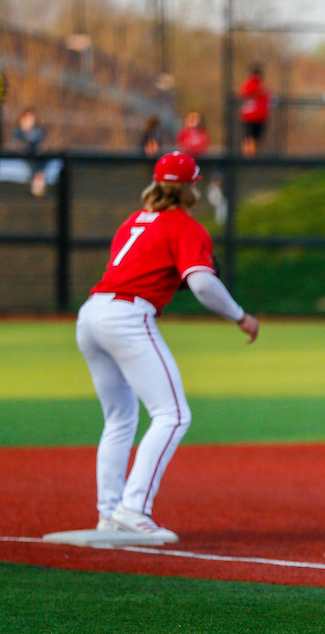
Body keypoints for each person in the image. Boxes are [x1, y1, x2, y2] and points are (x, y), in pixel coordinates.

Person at [75, 151, 260, 545]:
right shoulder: (185, 226)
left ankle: (108, 516)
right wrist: (240, 317)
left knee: (120, 419)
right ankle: (133, 509)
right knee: (172, 415)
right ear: (191, 187)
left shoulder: (133, 221)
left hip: (91, 314)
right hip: (126, 316)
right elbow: (203, 284)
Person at [12, 107, 47, 197]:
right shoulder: (18, 131)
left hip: (36, 156)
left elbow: (41, 144)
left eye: (31, 118)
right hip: (24, 155)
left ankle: (37, 184)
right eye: (27, 117)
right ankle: (37, 183)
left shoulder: (38, 131)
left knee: (40, 162)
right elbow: (17, 145)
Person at [239, 64, 271, 157]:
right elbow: (245, 94)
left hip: (259, 116)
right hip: (250, 115)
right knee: (249, 137)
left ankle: (252, 154)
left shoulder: (261, 85)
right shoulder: (250, 85)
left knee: (255, 137)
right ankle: (248, 155)